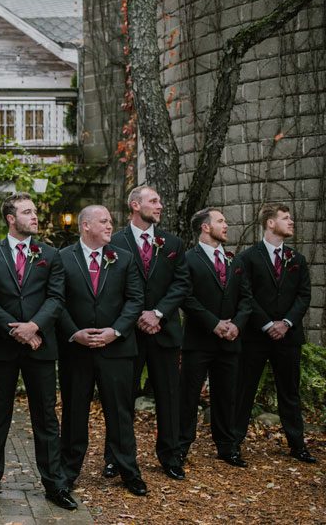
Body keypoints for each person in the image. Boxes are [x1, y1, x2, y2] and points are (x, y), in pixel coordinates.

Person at [0, 193, 75, 510]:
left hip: (41, 346)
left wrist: (34, 327)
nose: (35, 216)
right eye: (28, 212)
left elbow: (56, 298)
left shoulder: (51, 255)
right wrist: (18, 330)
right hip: (2, 348)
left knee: (46, 418)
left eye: (35, 211)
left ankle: (54, 484)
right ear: (10, 219)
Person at [55, 205, 147, 497]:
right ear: (85, 226)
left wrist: (114, 331)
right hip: (77, 351)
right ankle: (68, 472)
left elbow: (135, 300)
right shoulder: (63, 258)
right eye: (104, 221)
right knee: (73, 413)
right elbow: (57, 300)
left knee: (120, 413)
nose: (111, 226)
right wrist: (74, 333)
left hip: (116, 350)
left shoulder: (124, 258)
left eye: (110, 221)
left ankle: (128, 471)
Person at [102, 186, 190, 481]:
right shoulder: (114, 241)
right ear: (135, 205)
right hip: (128, 333)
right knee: (121, 397)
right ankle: (115, 457)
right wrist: (136, 315)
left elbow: (181, 284)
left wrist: (158, 314)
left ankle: (170, 456)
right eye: (154, 201)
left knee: (168, 396)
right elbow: (110, 287)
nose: (160, 206)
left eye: (160, 201)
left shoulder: (174, 243)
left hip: (164, 330)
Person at [235, 204, 315, 463]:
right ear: (270, 223)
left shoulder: (297, 259)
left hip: (289, 338)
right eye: (285, 218)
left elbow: (304, 296)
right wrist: (268, 324)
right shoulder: (247, 258)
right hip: (256, 337)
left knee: (290, 392)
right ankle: (233, 443)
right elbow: (246, 295)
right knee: (244, 389)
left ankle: (297, 445)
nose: (291, 222)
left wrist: (287, 323)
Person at [179, 208, 252, 467]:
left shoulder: (235, 260)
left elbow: (246, 298)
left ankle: (227, 447)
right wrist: (213, 324)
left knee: (227, 394)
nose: (226, 225)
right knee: (188, 396)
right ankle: (181, 446)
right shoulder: (188, 259)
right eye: (221, 221)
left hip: (230, 340)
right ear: (205, 227)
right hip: (199, 340)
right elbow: (186, 297)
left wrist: (237, 326)